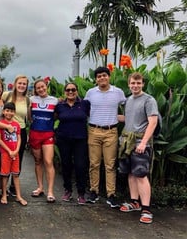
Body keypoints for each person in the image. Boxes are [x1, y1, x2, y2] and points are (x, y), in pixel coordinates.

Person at [117, 72, 158, 224]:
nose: (135, 86)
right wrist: (107, 115)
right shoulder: (128, 100)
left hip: (140, 142)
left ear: (143, 84)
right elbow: (128, 119)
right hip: (127, 142)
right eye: (133, 83)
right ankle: (134, 202)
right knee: (131, 173)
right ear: (129, 84)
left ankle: (146, 209)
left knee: (141, 174)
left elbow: (152, 122)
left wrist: (143, 142)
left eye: (138, 83)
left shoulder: (149, 100)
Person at [84, 66, 126, 207]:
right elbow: (85, 109)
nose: (102, 78)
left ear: (109, 76)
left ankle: (111, 194)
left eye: (104, 75)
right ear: (96, 79)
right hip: (94, 130)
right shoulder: (90, 93)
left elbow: (128, 105)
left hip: (111, 132)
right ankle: (94, 191)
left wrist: (125, 117)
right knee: (94, 163)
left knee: (110, 164)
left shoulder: (118, 92)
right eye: (99, 76)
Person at [55, 83, 90, 205]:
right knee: (66, 165)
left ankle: (81, 193)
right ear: (64, 92)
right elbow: (53, 118)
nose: (71, 92)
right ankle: (68, 190)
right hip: (63, 139)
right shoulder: (60, 106)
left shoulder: (84, 104)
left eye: (73, 89)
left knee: (80, 166)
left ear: (77, 91)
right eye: (68, 90)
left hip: (80, 139)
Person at [29, 79, 58, 203]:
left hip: (48, 134)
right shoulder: (31, 100)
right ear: (35, 90)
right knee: (37, 161)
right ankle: (40, 187)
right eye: (38, 88)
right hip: (35, 133)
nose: (41, 89)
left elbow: (56, 116)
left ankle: (50, 191)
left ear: (46, 86)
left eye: (42, 86)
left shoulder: (54, 100)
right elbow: (29, 116)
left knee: (48, 161)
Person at [2, 75, 30, 196]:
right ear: (15, 84)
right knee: (4, 158)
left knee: (18, 158)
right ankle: (2, 187)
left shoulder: (28, 100)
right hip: (5, 130)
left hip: (20, 131)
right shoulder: (6, 96)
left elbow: (28, 117)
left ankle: (13, 187)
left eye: (24, 84)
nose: (21, 86)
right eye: (20, 83)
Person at [0, 102, 27, 206]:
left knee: (16, 175)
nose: (9, 113)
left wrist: (16, 150)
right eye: (7, 110)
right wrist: (9, 151)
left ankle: (18, 196)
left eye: (12, 111)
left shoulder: (16, 125)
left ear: (14, 112)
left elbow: (19, 138)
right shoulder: (1, 124)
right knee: (5, 175)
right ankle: (4, 194)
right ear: (4, 111)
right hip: (5, 153)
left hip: (15, 153)